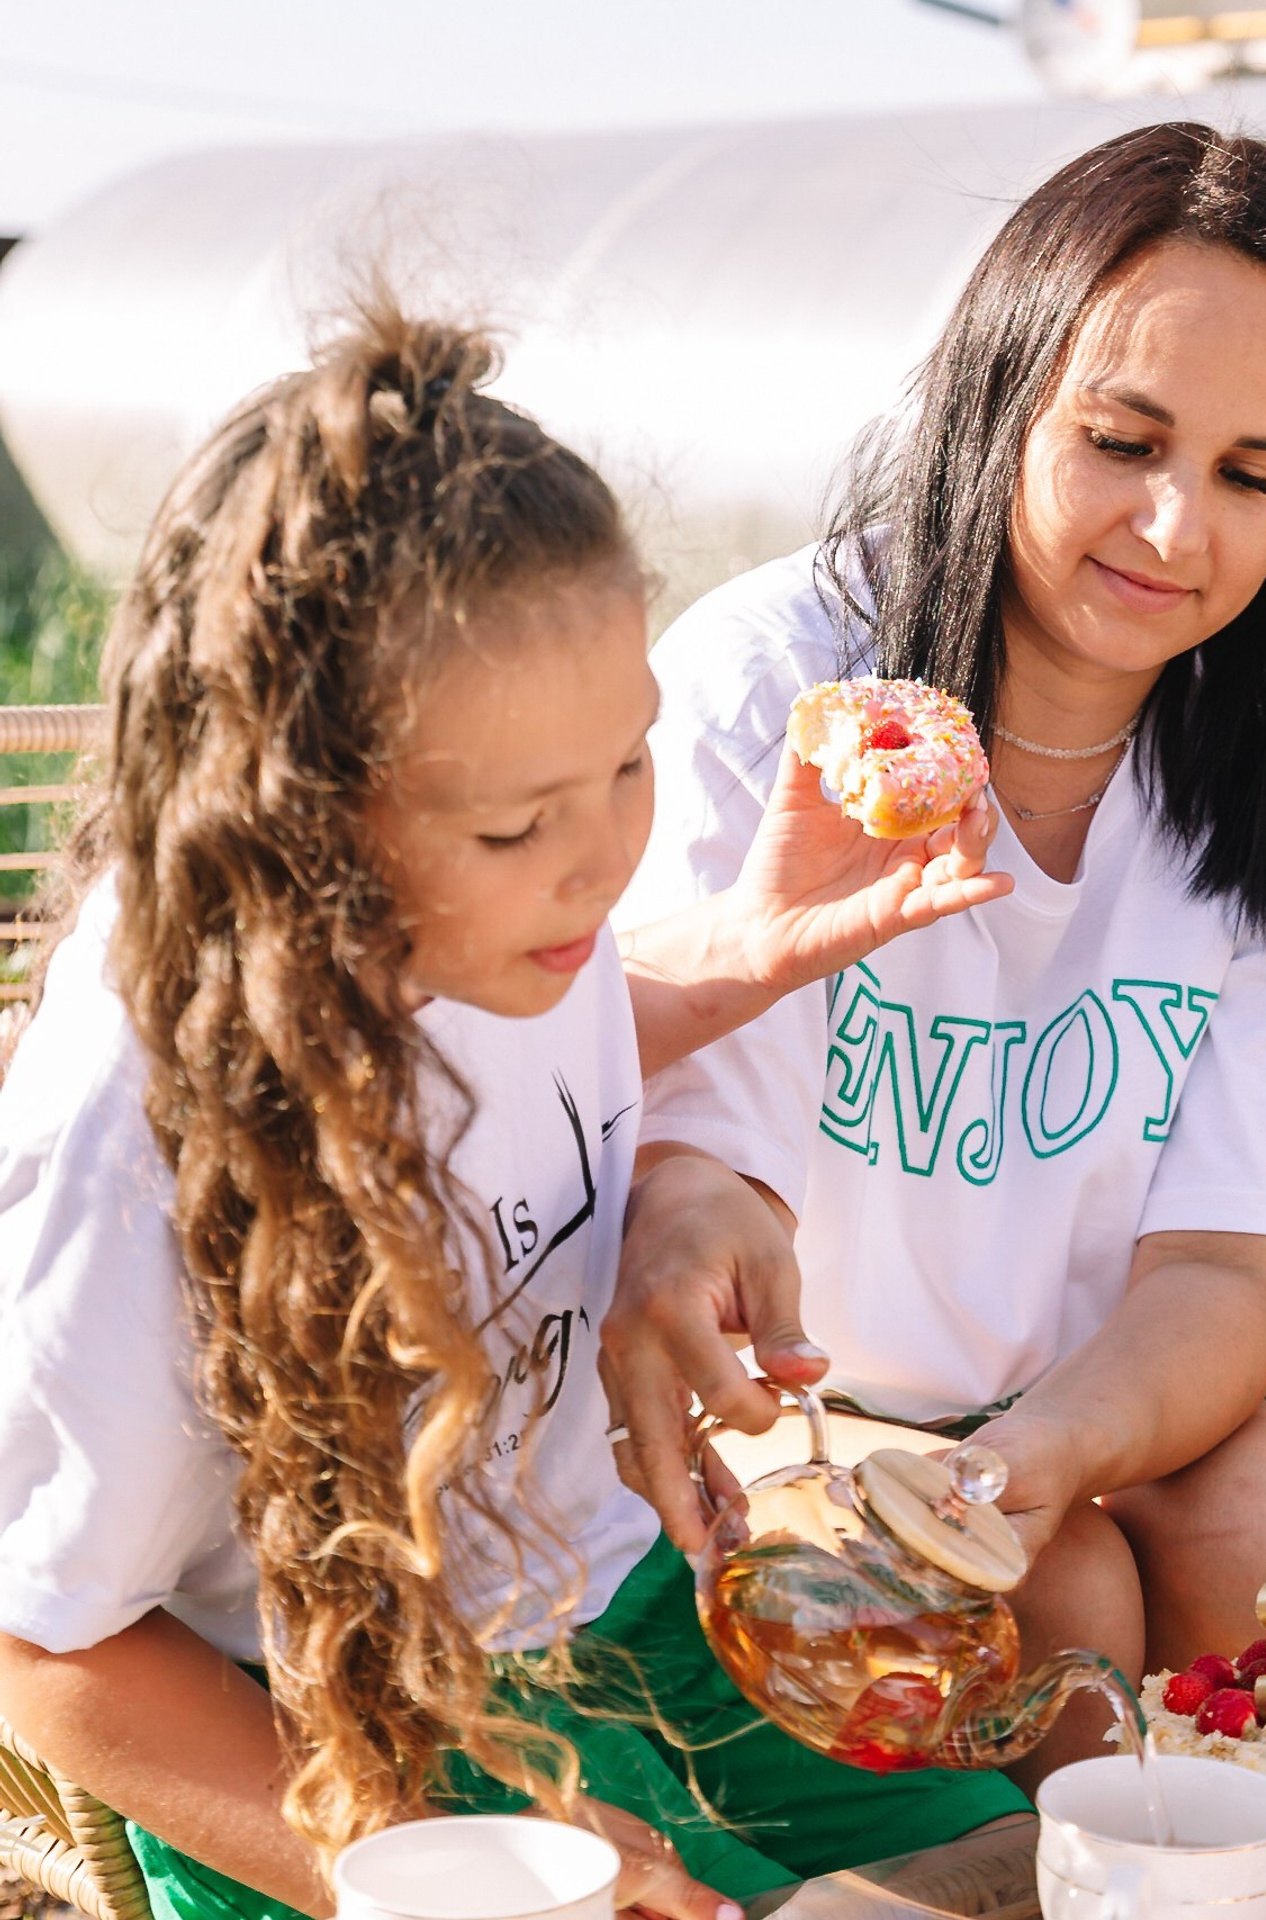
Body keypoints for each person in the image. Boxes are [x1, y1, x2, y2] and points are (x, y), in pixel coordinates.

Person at [0, 306, 1027, 1920]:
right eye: (518, 825)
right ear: (304, 824)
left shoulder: (483, 920)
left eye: (631, 767)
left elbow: (570, 1004)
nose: (604, 859)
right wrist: (427, 1859)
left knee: (1028, 1859)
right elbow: (48, 1655)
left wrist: (742, 954)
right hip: (339, 1748)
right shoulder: (134, 1121)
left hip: (627, 1618)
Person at [602, 122, 1266, 1781]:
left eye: (1254, 475)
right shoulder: (786, 682)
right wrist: (709, 1265)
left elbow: (1233, 1273)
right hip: (798, 1424)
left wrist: (1037, 1455)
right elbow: (695, 1157)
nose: (1177, 528)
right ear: (998, 393)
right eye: (1122, 439)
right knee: (1075, 1607)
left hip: (1072, 1407)